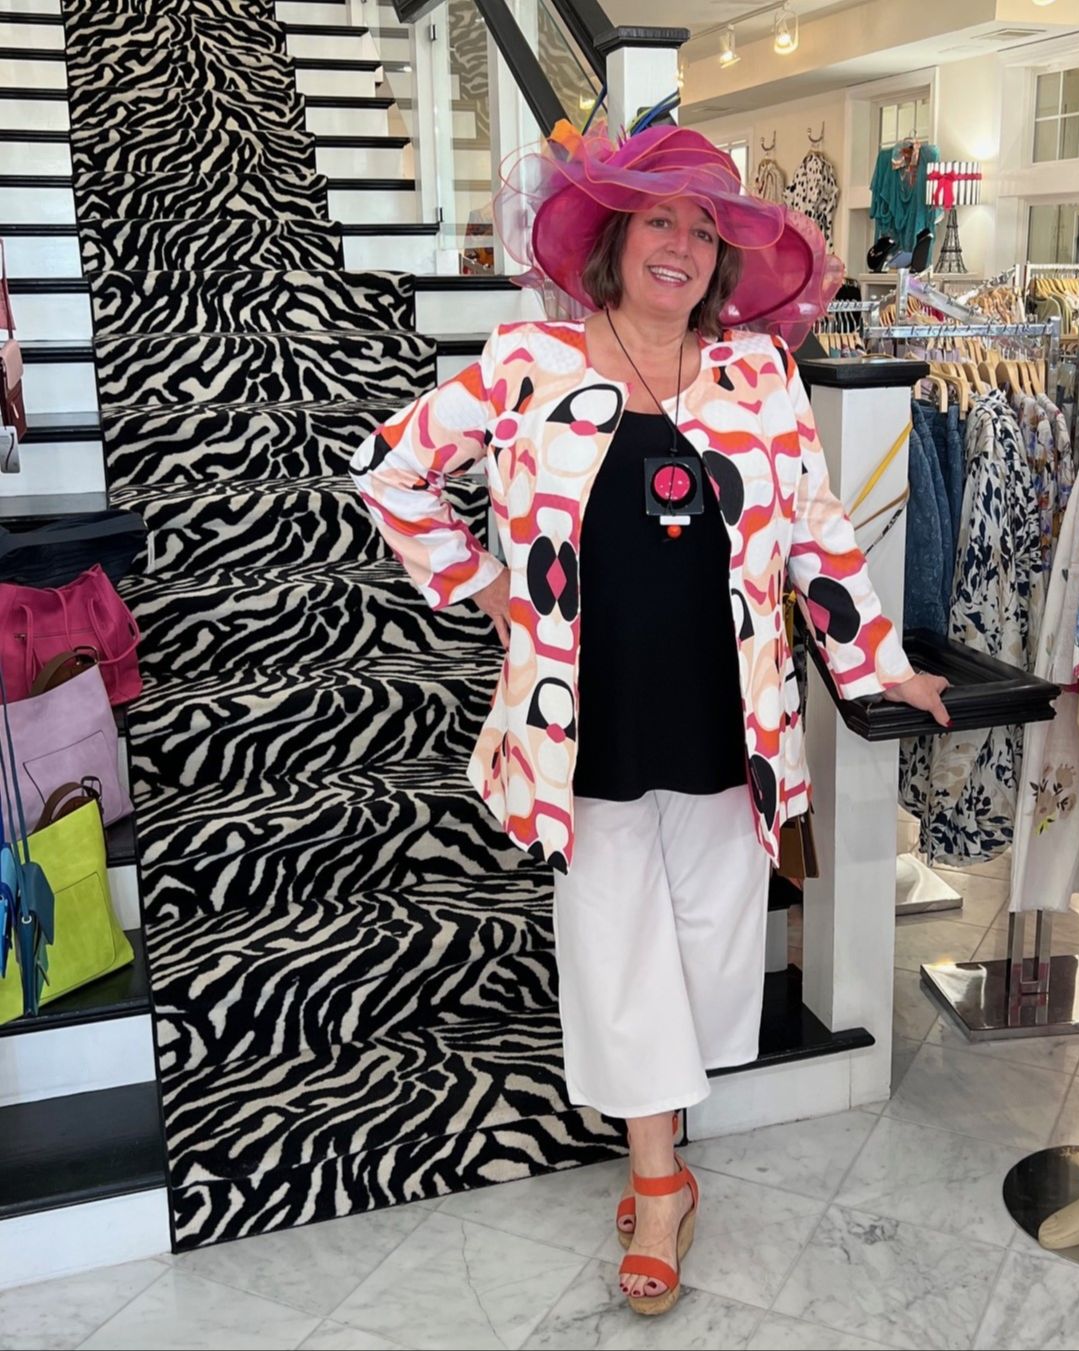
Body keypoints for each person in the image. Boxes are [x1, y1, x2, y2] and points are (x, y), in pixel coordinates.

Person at [350, 121, 950, 1318]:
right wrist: (484, 583)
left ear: (722, 258)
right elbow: (389, 468)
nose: (679, 245)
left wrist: (879, 666)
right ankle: (660, 1182)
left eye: (702, 229)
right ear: (614, 238)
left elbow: (818, 531)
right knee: (614, 945)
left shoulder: (760, 374)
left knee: (709, 944)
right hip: (586, 719)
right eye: (658, 220)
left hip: (730, 716)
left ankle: (660, 1144)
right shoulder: (525, 360)